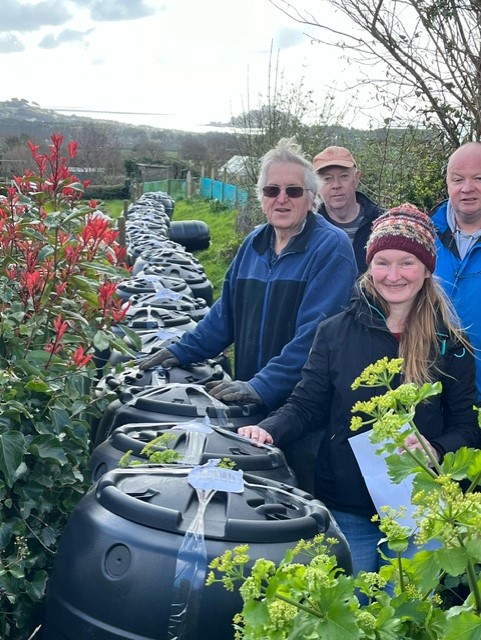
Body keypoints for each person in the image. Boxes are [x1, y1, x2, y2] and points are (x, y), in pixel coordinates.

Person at [238, 204, 480, 576]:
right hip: (347, 506)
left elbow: (468, 427)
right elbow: (305, 405)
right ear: (369, 265)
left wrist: (436, 448)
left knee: (407, 617)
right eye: (382, 262)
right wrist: (267, 429)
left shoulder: (450, 344)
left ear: (427, 268)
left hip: (419, 509)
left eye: (407, 263)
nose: (393, 275)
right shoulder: (334, 332)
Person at [140, 137, 357, 412]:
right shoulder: (254, 244)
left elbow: (317, 336)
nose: (281, 199)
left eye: (293, 191)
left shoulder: (331, 247)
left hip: (304, 407)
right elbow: (226, 314)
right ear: (261, 197)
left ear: (312, 197)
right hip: (253, 398)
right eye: (271, 190)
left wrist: (262, 385)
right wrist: (181, 351)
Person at [431, 141, 481, 399]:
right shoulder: (422, 239)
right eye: (458, 179)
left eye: (478, 178)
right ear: (448, 184)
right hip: (433, 397)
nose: (468, 188)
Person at [313, 145, 384, 275]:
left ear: (356, 178)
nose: (336, 185)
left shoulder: (384, 223)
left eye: (344, 176)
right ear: (315, 185)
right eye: (327, 179)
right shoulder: (309, 228)